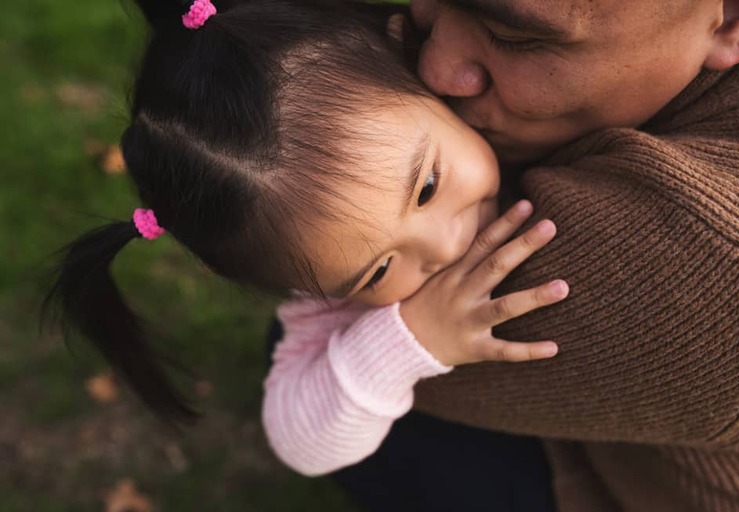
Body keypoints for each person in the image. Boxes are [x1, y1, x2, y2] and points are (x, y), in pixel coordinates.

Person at [42, 0, 569, 481]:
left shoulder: (521, 100)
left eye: (426, 185)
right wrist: (411, 341)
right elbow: (300, 441)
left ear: (411, 65)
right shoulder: (330, 312)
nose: (444, 247)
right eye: (378, 271)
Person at [332, 0, 739, 511]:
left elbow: (321, 252)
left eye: (513, 38)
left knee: (348, 359)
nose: (434, 69)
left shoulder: (714, 260)